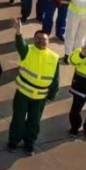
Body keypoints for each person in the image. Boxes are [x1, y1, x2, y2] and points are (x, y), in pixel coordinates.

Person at [7, 20, 60, 156]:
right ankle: (14, 141)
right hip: (23, 93)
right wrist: (18, 32)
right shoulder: (28, 51)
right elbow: (20, 45)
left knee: (34, 122)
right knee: (18, 119)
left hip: (40, 97)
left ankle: (29, 143)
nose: (42, 41)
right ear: (33, 39)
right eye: (39, 38)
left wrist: (52, 94)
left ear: (48, 42)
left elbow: (55, 78)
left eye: (44, 39)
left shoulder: (54, 57)